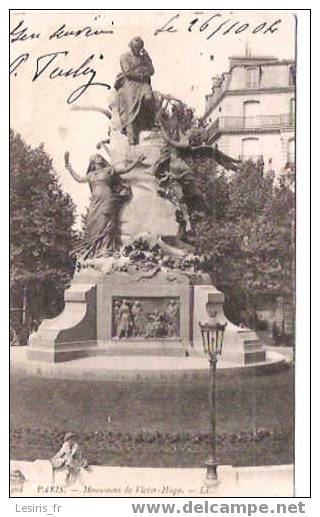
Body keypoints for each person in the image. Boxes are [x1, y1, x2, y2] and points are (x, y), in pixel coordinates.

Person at [65, 151, 145, 258]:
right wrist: (69, 168)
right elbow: (79, 179)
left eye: (99, 156)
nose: (98, 158)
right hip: (94, 202)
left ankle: (106, 249)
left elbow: (125, 170)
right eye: (95, 157)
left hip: (107, 199)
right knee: (91, 223)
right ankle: (96, 250)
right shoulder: (90, 175)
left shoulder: (109, 170)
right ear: (92, 162)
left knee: (106, 222)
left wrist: (136, 162)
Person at [115, 37, 155, 145]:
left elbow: (151, 71)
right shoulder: (125, 57)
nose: (138, 50)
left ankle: (151, 122)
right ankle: (131, 135)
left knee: (149, 97)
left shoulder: (143, 58)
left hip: (143, 84)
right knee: (129, 105)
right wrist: (142, 72)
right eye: (136, 47)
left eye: (140, 48)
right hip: (130, 84)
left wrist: (147, 57)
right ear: (132, 47)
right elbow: (128, 72)